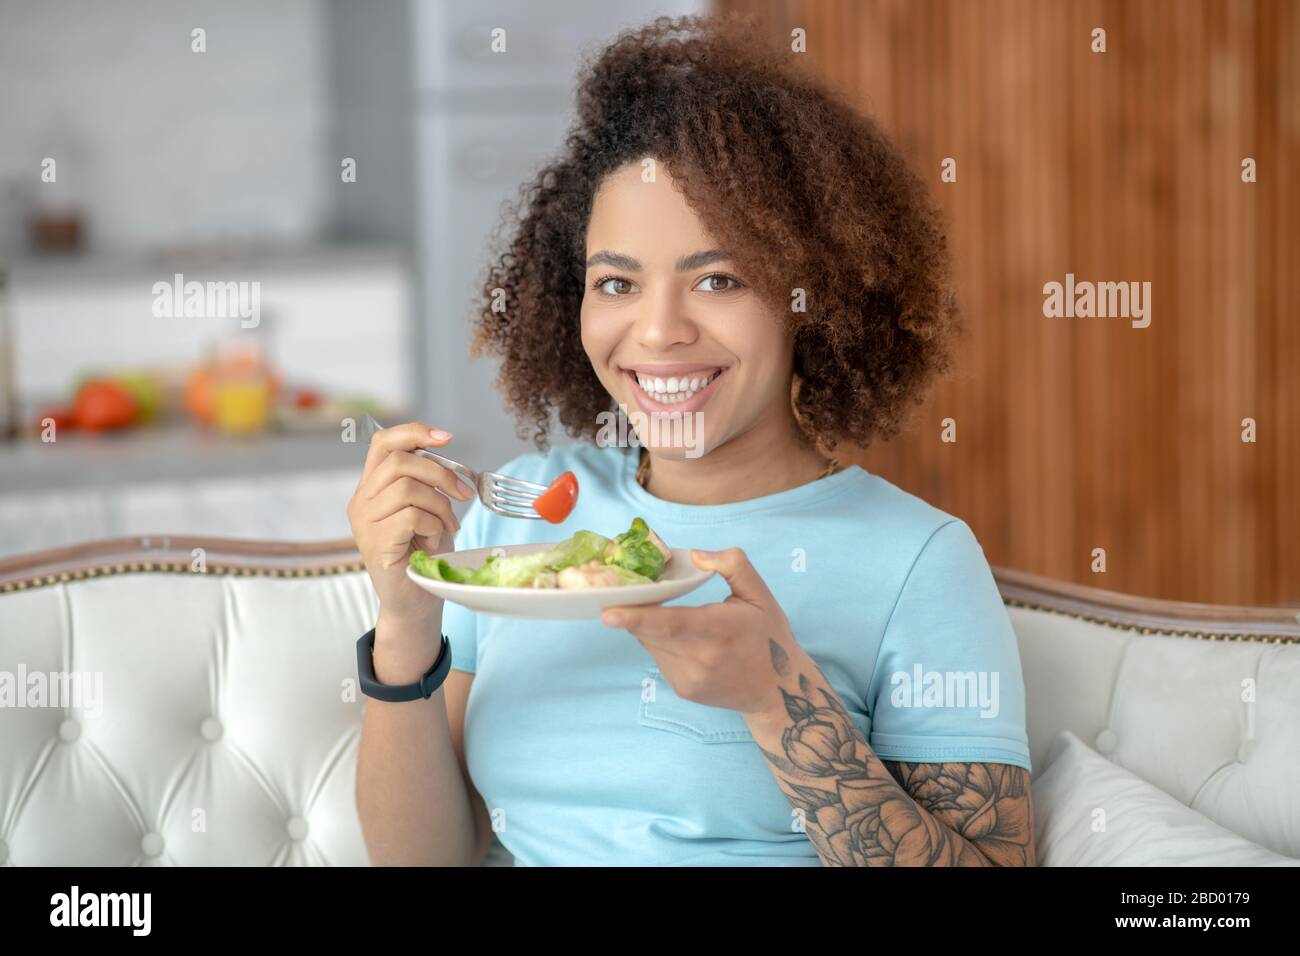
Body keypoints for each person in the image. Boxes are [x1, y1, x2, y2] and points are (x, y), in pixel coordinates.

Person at [349, 14, 1035, 867]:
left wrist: (779, 700)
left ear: (810, 299)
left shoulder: (919, 561)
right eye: (617, 282)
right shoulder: (514, 528)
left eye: (718, 278)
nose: (659, 331)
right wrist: (407, 617)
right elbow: (424, 862)